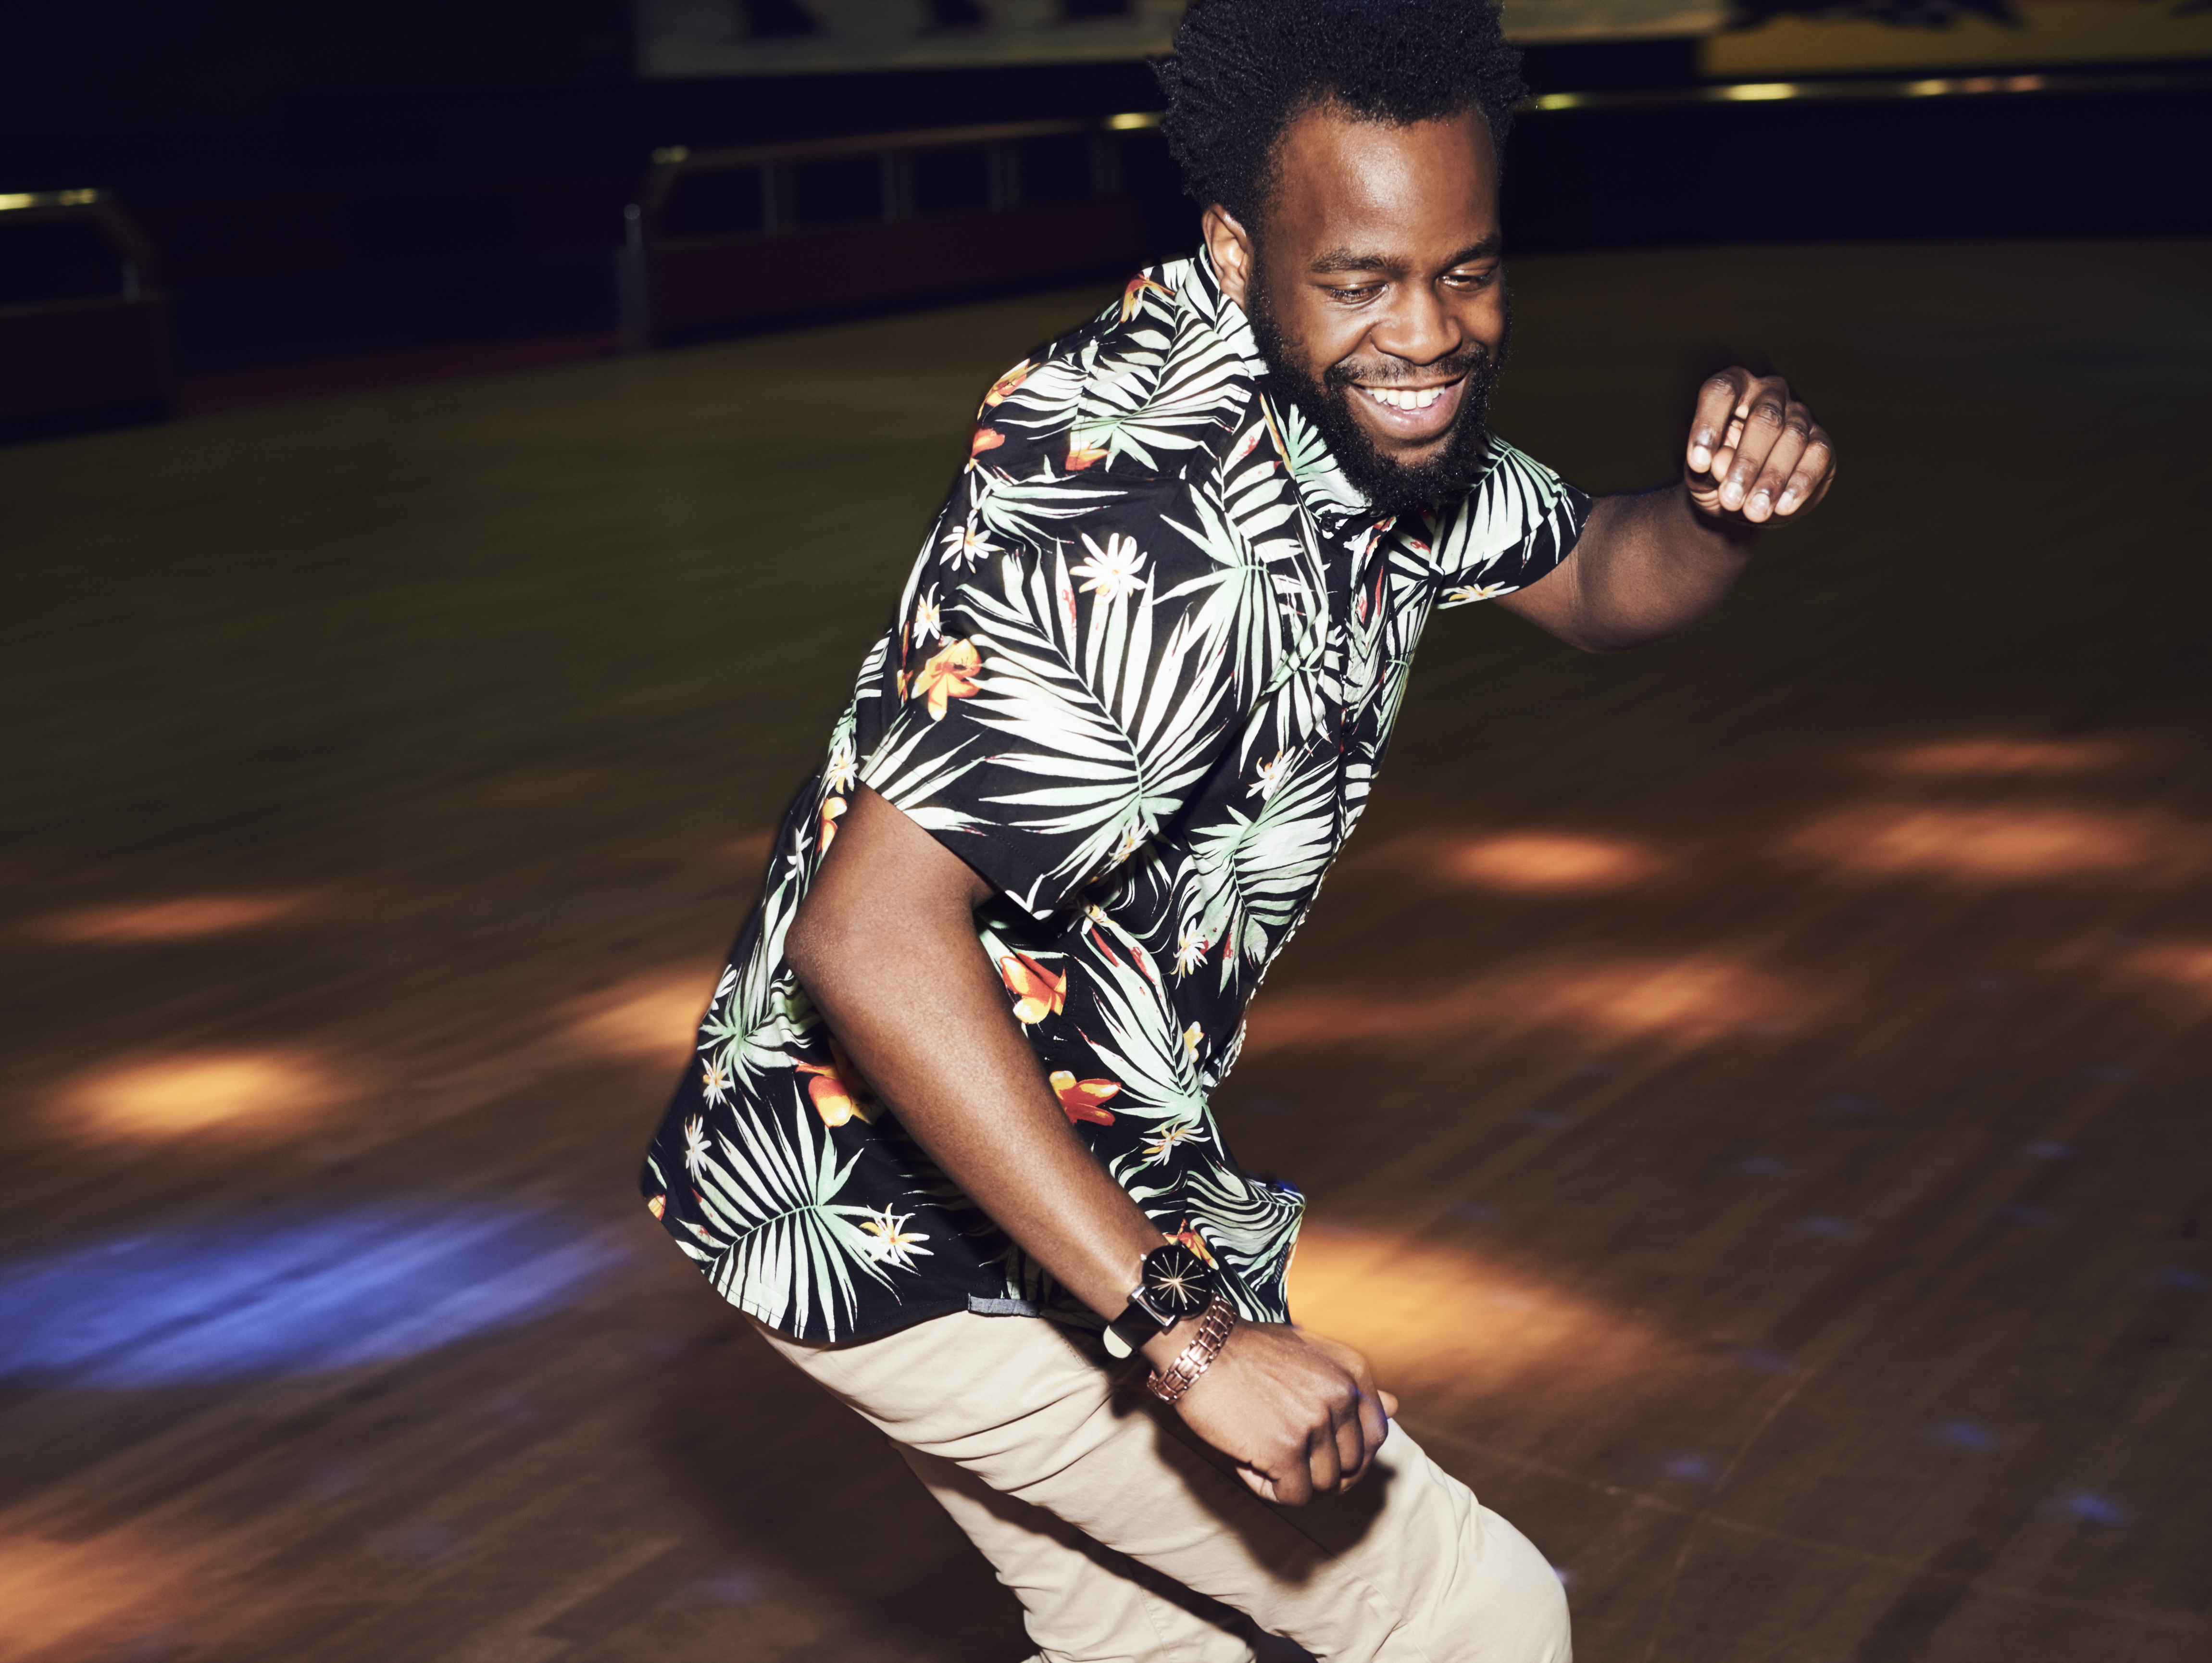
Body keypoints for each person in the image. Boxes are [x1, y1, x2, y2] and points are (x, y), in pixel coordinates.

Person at [637, 0, 1836, 1654]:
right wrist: (1186, 1336)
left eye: (1468, 269)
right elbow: (870, 932)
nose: (1428, 333)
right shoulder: (1140, 524)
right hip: (883, 1190)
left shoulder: (1359, 412)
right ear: (1233, 248)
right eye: (1361, 279)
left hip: (1045, 1159)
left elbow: (1592, 580)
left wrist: (1717, 510)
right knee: (1468, 1607)